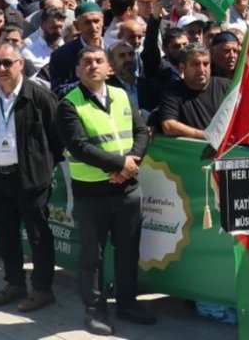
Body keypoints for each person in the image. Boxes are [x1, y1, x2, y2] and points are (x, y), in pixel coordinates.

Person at [56, 47, 154, 335]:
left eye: (99, 61)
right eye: (86, 62)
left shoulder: (122, 95)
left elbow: (140, 132)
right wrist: (120, 165)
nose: (93, 66)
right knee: (92, 256)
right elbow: (80, 147)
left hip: (127, 189)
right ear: (77, 70)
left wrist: (131, 163)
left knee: (128, 251)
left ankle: (127, 303)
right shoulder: (69, 104)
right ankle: (95, 310)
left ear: (109, 68)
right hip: (91, 193)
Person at [0, 43, 63, 312]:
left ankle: (42, 289)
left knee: (38, 235)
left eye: (7, 63)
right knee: (6, 234)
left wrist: (42, 166)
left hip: (30, 178)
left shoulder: (39, 96)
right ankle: (14, 282)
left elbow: (57, 138)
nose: (1, 69)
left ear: (21, 64)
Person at [155, 43, 230, 139]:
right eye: (195, 64)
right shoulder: (172, 92)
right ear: (182, 67)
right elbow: (169, 126)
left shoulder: (227, 86)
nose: (202, 70)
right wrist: (205, 136)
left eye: (206, 64)